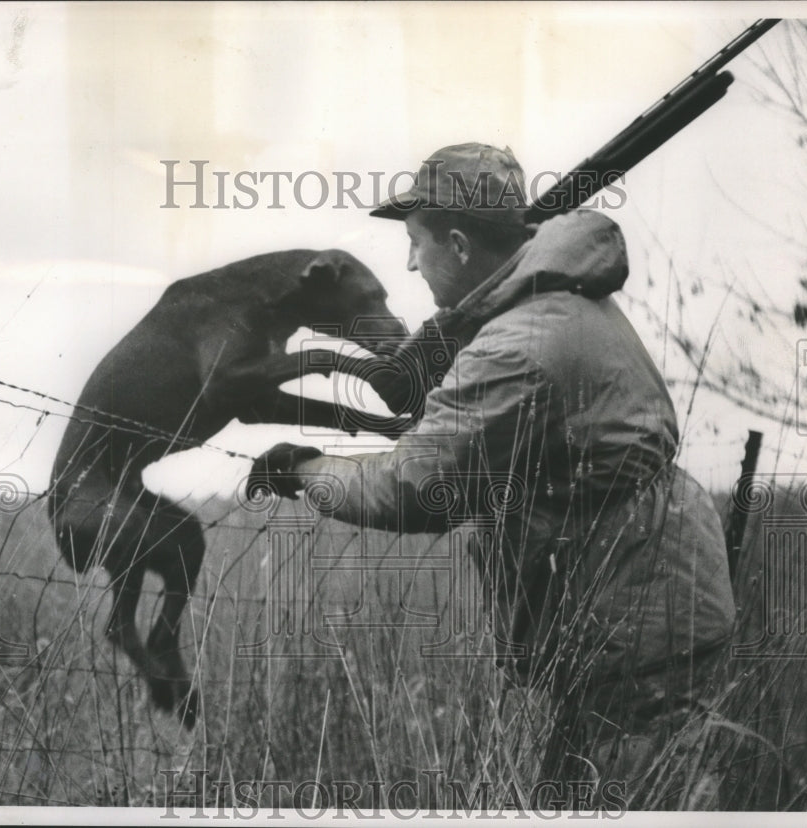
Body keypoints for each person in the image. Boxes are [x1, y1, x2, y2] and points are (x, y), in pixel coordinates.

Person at [246, 143, 736, 806]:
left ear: (457, 243)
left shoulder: (518, 342)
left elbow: (415, 492)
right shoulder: (560, 306)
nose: (411, 263)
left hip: (633, 632)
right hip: (644, 612)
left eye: (416, 245)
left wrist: (305, 468)